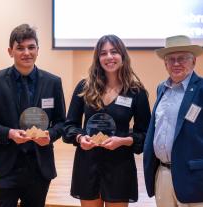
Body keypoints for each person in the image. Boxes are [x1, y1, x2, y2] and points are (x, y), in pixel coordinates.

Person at [0, 24, 66, 207]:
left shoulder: (53, 82)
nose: (27, 52)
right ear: (10, 51)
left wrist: (50, 136)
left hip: (39, 167)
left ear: (38, 50)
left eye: (31, 47)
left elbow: (61, 122)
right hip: (5, 166)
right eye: (20, 48)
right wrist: (9, 133)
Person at [143, 35, 203, 207]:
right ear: (165, 64)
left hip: (196, 179)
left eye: (182, 58)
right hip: (163, 176)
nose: (176, 63)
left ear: (194, 61)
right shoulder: (161, 88)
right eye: (171, 59)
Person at [63, 34, 151, 207]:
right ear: (98, 58)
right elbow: (69, 127)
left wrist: (124, 141)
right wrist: (81, 138)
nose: (109, 57)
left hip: (120, 166)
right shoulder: (84, 87)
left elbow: (145, 134)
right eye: (103, 53)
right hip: (88, 165)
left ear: (123, 56)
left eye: (114, 52)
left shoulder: (135, 92)